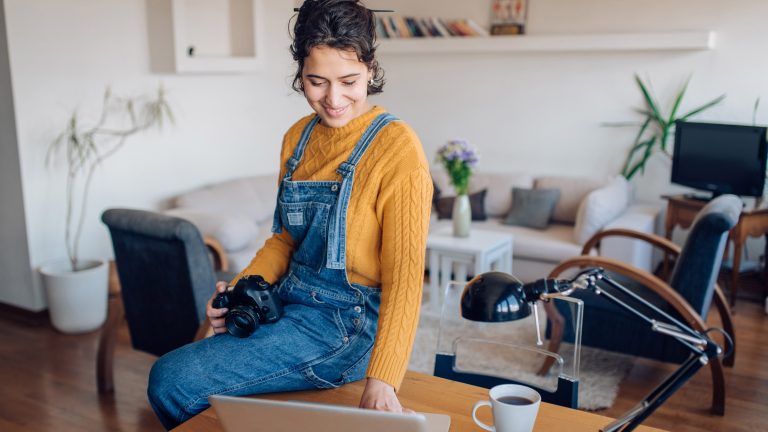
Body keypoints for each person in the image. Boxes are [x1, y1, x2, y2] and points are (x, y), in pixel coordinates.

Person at [146, 0, 433, 429]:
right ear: (301, 73)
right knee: (187, 369)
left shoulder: (398, 148)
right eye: (317, 82)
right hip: (290, 299)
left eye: (349, 81)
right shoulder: (296, 138)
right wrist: (241, 290)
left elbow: (406, 276)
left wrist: (384, 378)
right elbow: (283, 239)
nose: (333, 99)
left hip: (346, 324)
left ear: (371, 70)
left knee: (171, 379)